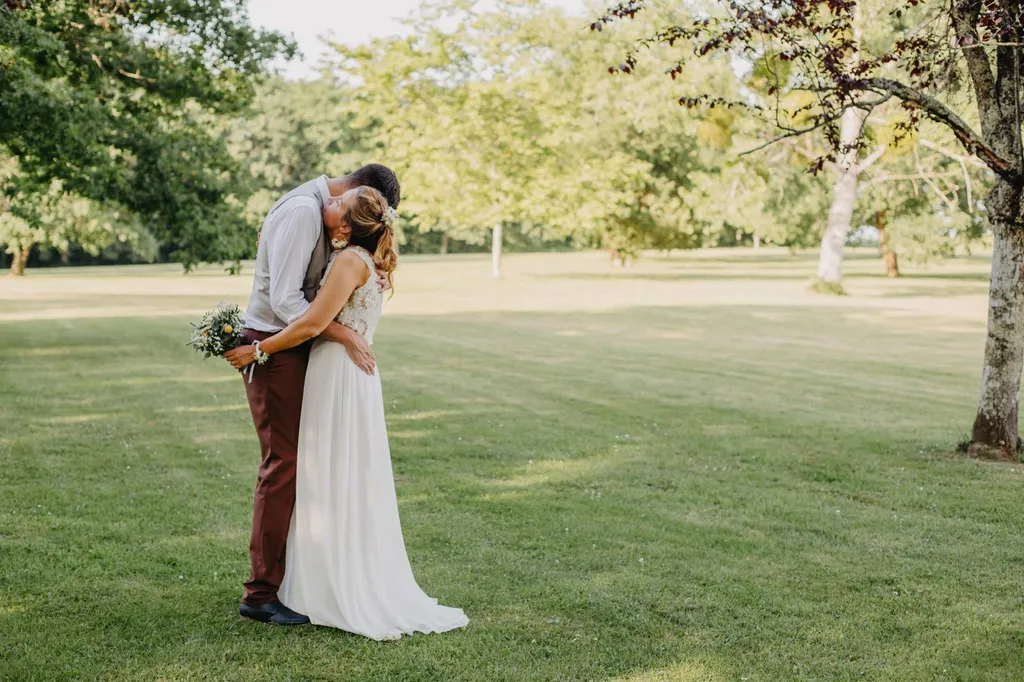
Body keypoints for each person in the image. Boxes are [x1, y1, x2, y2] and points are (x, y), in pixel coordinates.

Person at [227, 186, 469, 639]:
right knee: (332, 473)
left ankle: (327, 583)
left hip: (337, 374)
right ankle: (315, 575)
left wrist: (257, 350)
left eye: (340, 204)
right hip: (345, 373)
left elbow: (312, 322)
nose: (330, 201)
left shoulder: (349, 262)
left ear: (345, 227)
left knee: (329, 473)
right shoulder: (365, 260)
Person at [231, 166, 400, 626]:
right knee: (286, 464)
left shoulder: (342, 242)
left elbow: (318, 300)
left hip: (308, 351)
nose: (334, 207)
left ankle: (299, 581)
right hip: (281, 343)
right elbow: (287, 302)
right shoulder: (304, 211)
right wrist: (343, 331)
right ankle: (263, 592)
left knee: (312, 466)